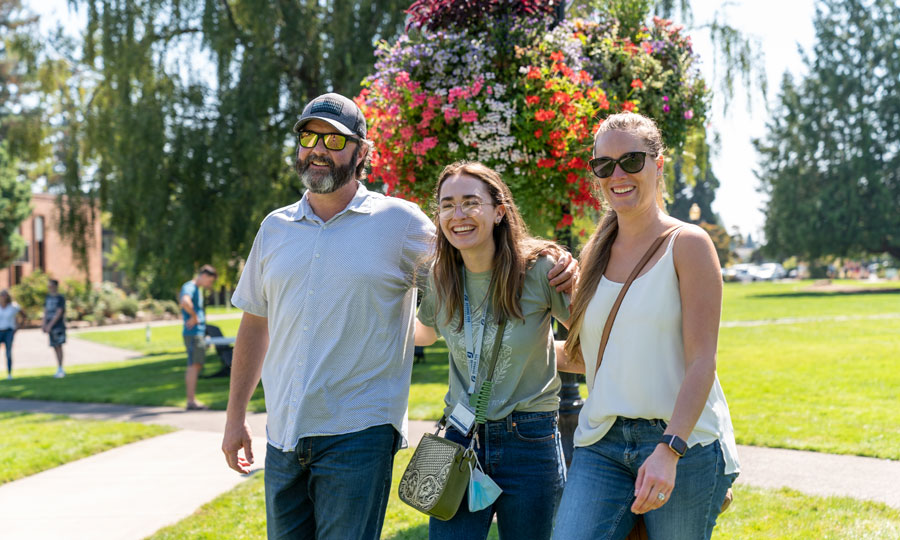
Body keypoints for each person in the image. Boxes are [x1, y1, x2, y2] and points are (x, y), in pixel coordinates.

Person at [221, 93, 576, 540]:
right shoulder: (274, 228)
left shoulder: (400, 222)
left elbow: (472, 242)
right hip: (284, 435)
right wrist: (235, 419)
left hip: (359, 432)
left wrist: (548, 255)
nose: (318, 148)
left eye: (334, 139)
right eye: (309, 136)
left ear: (362, 153)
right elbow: (255, 322)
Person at [550, 112, 740, 540]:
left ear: (658, 163)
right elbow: (592, 359)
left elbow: (701, 363)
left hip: (681, 443)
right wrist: (508, 342)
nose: (618, 174)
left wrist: (669, 452)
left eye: (631, 160)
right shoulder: (593, 255)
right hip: (602, 442)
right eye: (604, 165)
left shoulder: (688, 245)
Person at [414, 161, 574, 540]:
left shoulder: (541, 269)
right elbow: (421, 334)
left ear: (499, 211)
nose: (459, 215)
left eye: (471, 202)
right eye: (447, 205)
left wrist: (543, 348)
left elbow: (595, 338)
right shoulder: (440, 276)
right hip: (459, 436)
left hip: (529, 439)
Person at [180, 264, 218, 410]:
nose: (210, 284)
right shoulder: (190, 287)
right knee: (194, 365)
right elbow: (185, 301)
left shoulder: (196, 289)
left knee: (196, 365)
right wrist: (194, 316)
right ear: (204, 275)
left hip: (196, 332)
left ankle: (191, 400)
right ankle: (191, 401)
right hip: (193, 333)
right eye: (210, 281)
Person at [42, 279, 67, 378]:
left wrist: (50, 325)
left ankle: (60, 368)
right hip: (49, 326)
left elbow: (59, 313)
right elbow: (45, 311)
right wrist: (44, 324)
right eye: (49, 286)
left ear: (56, 286)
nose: (50, 288)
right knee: (54, 346)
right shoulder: (47, 297)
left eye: (51, 286)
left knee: (59, 346)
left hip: (58, 326)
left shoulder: (60, 298)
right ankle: (58, 368)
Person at [0, 289, 25, 380]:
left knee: (8, 353)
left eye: (4, 295)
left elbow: (23, 315)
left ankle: (9, 373)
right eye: (2, 295)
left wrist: (18, 327)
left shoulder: (13, 306)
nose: (3, 297)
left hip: (8, 331)